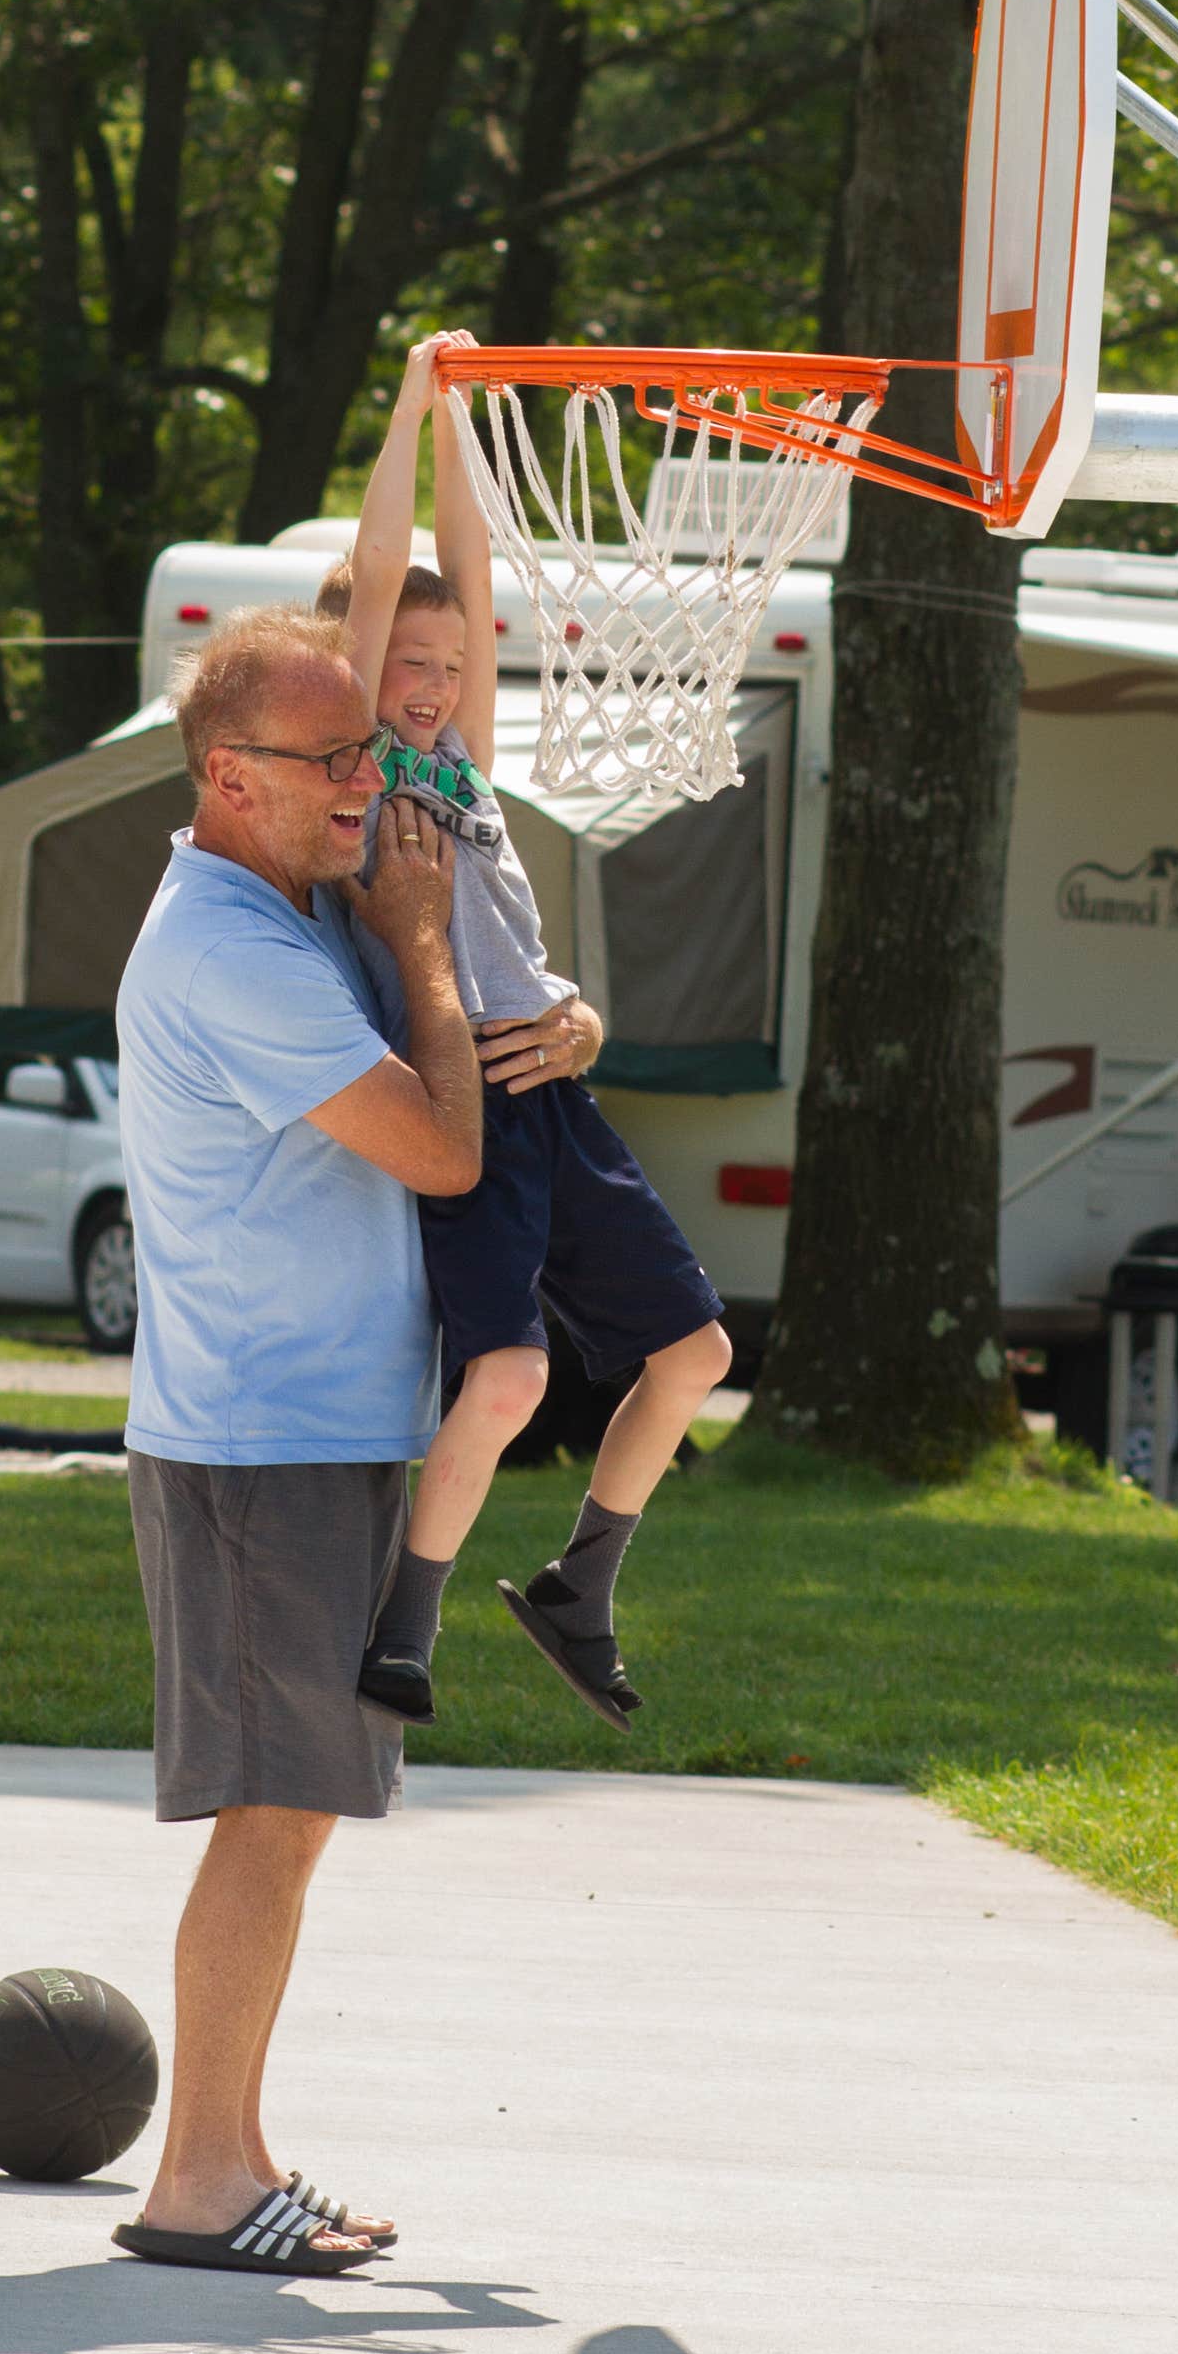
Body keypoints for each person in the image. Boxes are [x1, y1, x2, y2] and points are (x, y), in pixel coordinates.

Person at [110, 602, 481, 2277]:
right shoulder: (238, 950)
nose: (367, 780)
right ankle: (195, 2180)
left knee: (302, 1805)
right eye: (332, 758)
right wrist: (423, 943)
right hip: (261, 1449)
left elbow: (382, 570)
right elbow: (437, 1149)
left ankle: (238, 2152)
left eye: (369, 749)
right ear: (226, 776)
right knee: (273, 1811)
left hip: (303, 1438)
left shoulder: (271, 900)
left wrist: (420, 405)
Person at [322, 329, 733, 1736]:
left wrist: (466, 434)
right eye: (407, 662)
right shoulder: (356, 777)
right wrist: (416, 399)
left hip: (552, 1088)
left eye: (447, 663)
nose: (430, 680)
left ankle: (581, 1584)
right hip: (468, 1101)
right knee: (507, 1373)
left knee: (695, 1357)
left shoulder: (463, 767)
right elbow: (390, 573)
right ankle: (407, 1617)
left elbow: (466, 574)